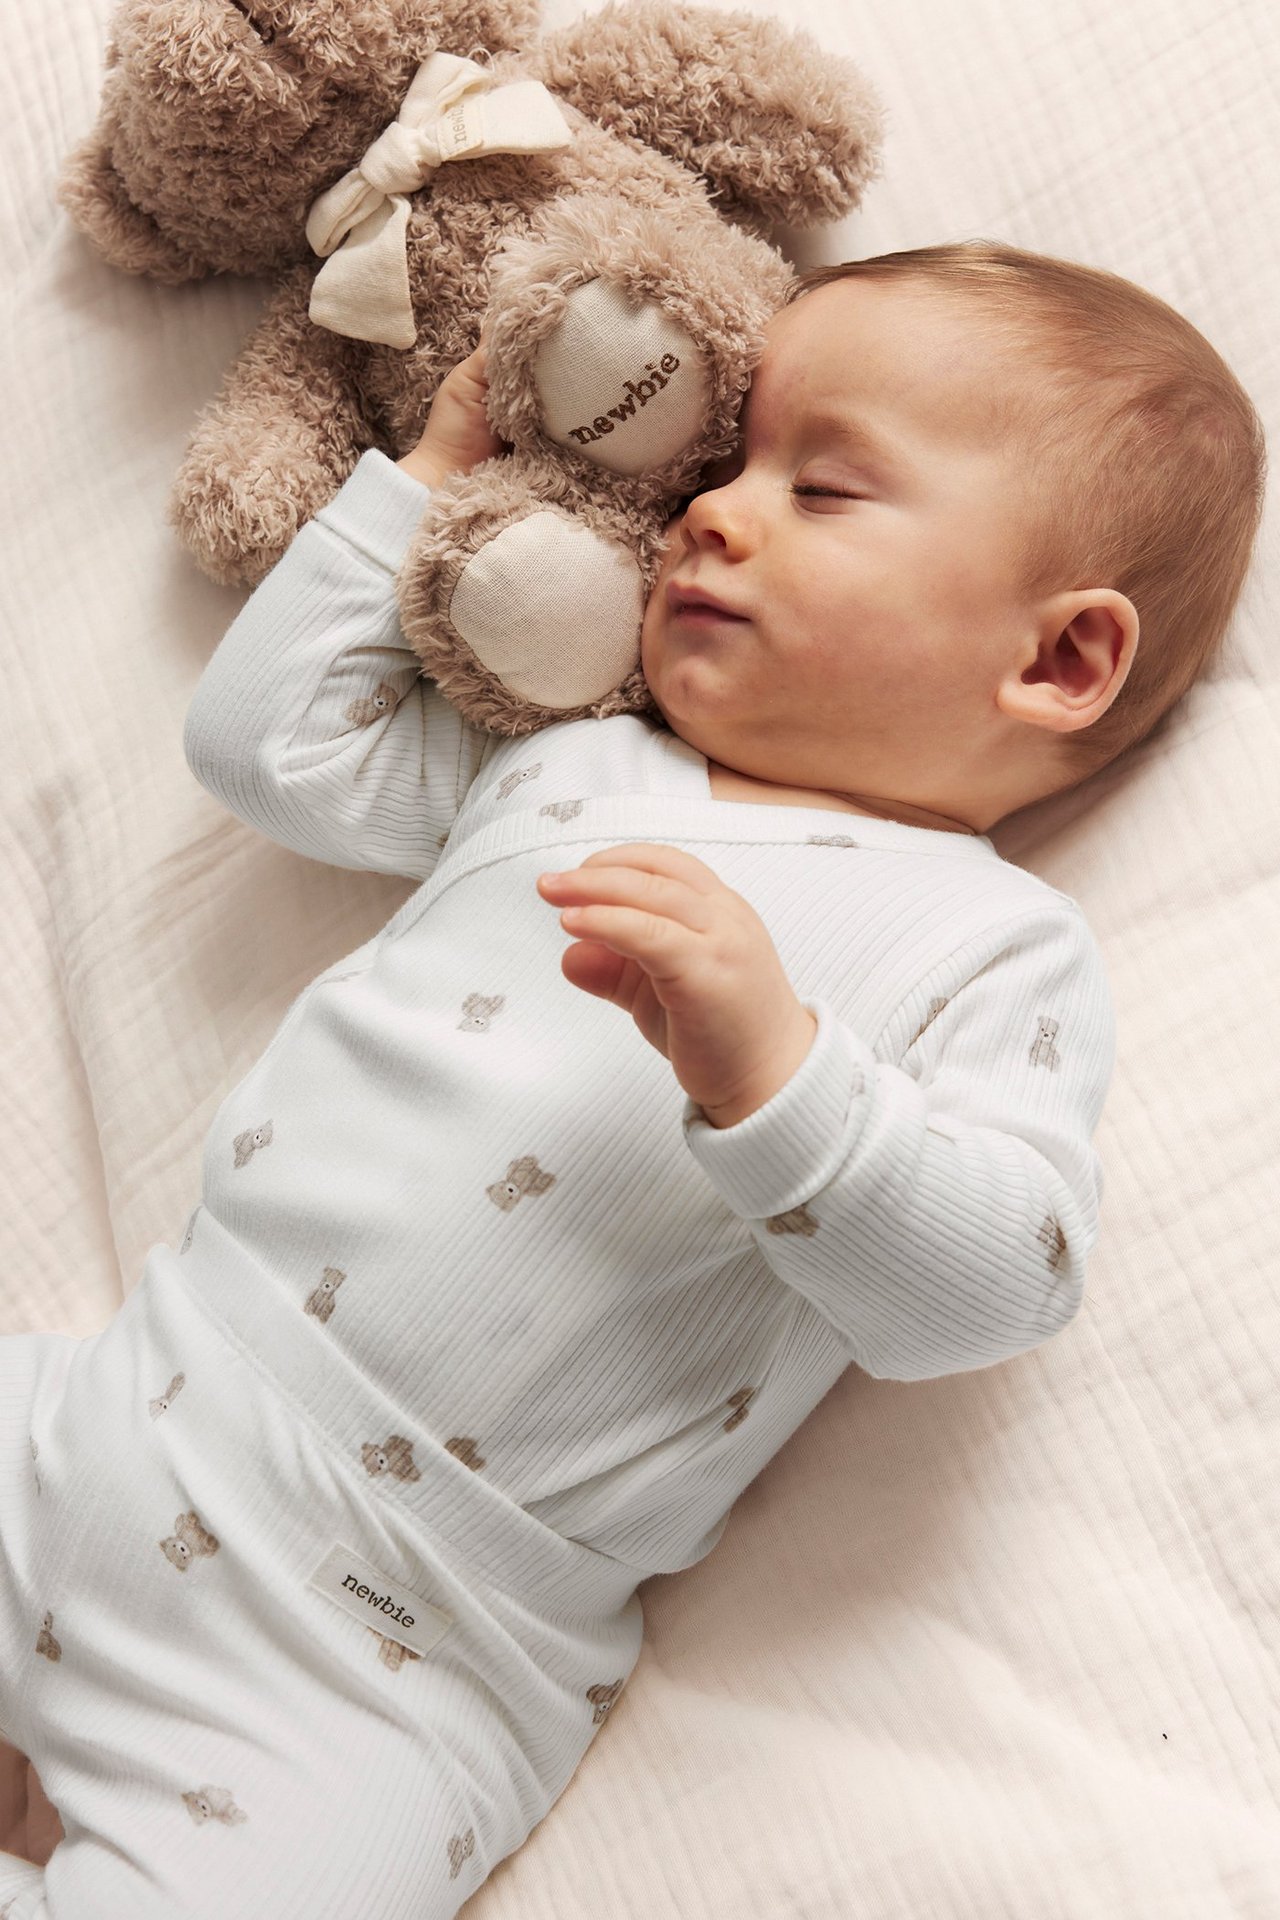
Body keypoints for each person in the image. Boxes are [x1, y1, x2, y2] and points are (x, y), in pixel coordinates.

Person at [0, 241, 1264, 1918]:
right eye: (730, 464)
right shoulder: (579, 757)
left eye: (823, 489)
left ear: (1059, 664)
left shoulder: (999, 947)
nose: (712, 514)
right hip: (124, 1405)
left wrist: (781, 1076)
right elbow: (278, 750)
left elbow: (993, 1287)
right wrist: (429, 478)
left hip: (398, 1654)